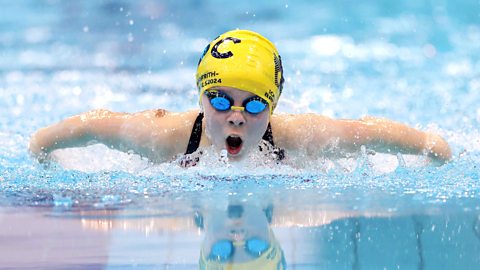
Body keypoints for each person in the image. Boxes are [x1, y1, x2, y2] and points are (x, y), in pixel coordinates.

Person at [28, 29, 452, 167]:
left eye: (252, 104)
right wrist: (44, 154)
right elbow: (87, 125)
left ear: (272, 107)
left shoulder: (299, 136)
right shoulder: (164, 137)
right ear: (199, 99)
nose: (235, 117)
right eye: (219, 99)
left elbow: (365, 132)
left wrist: (436, 151)